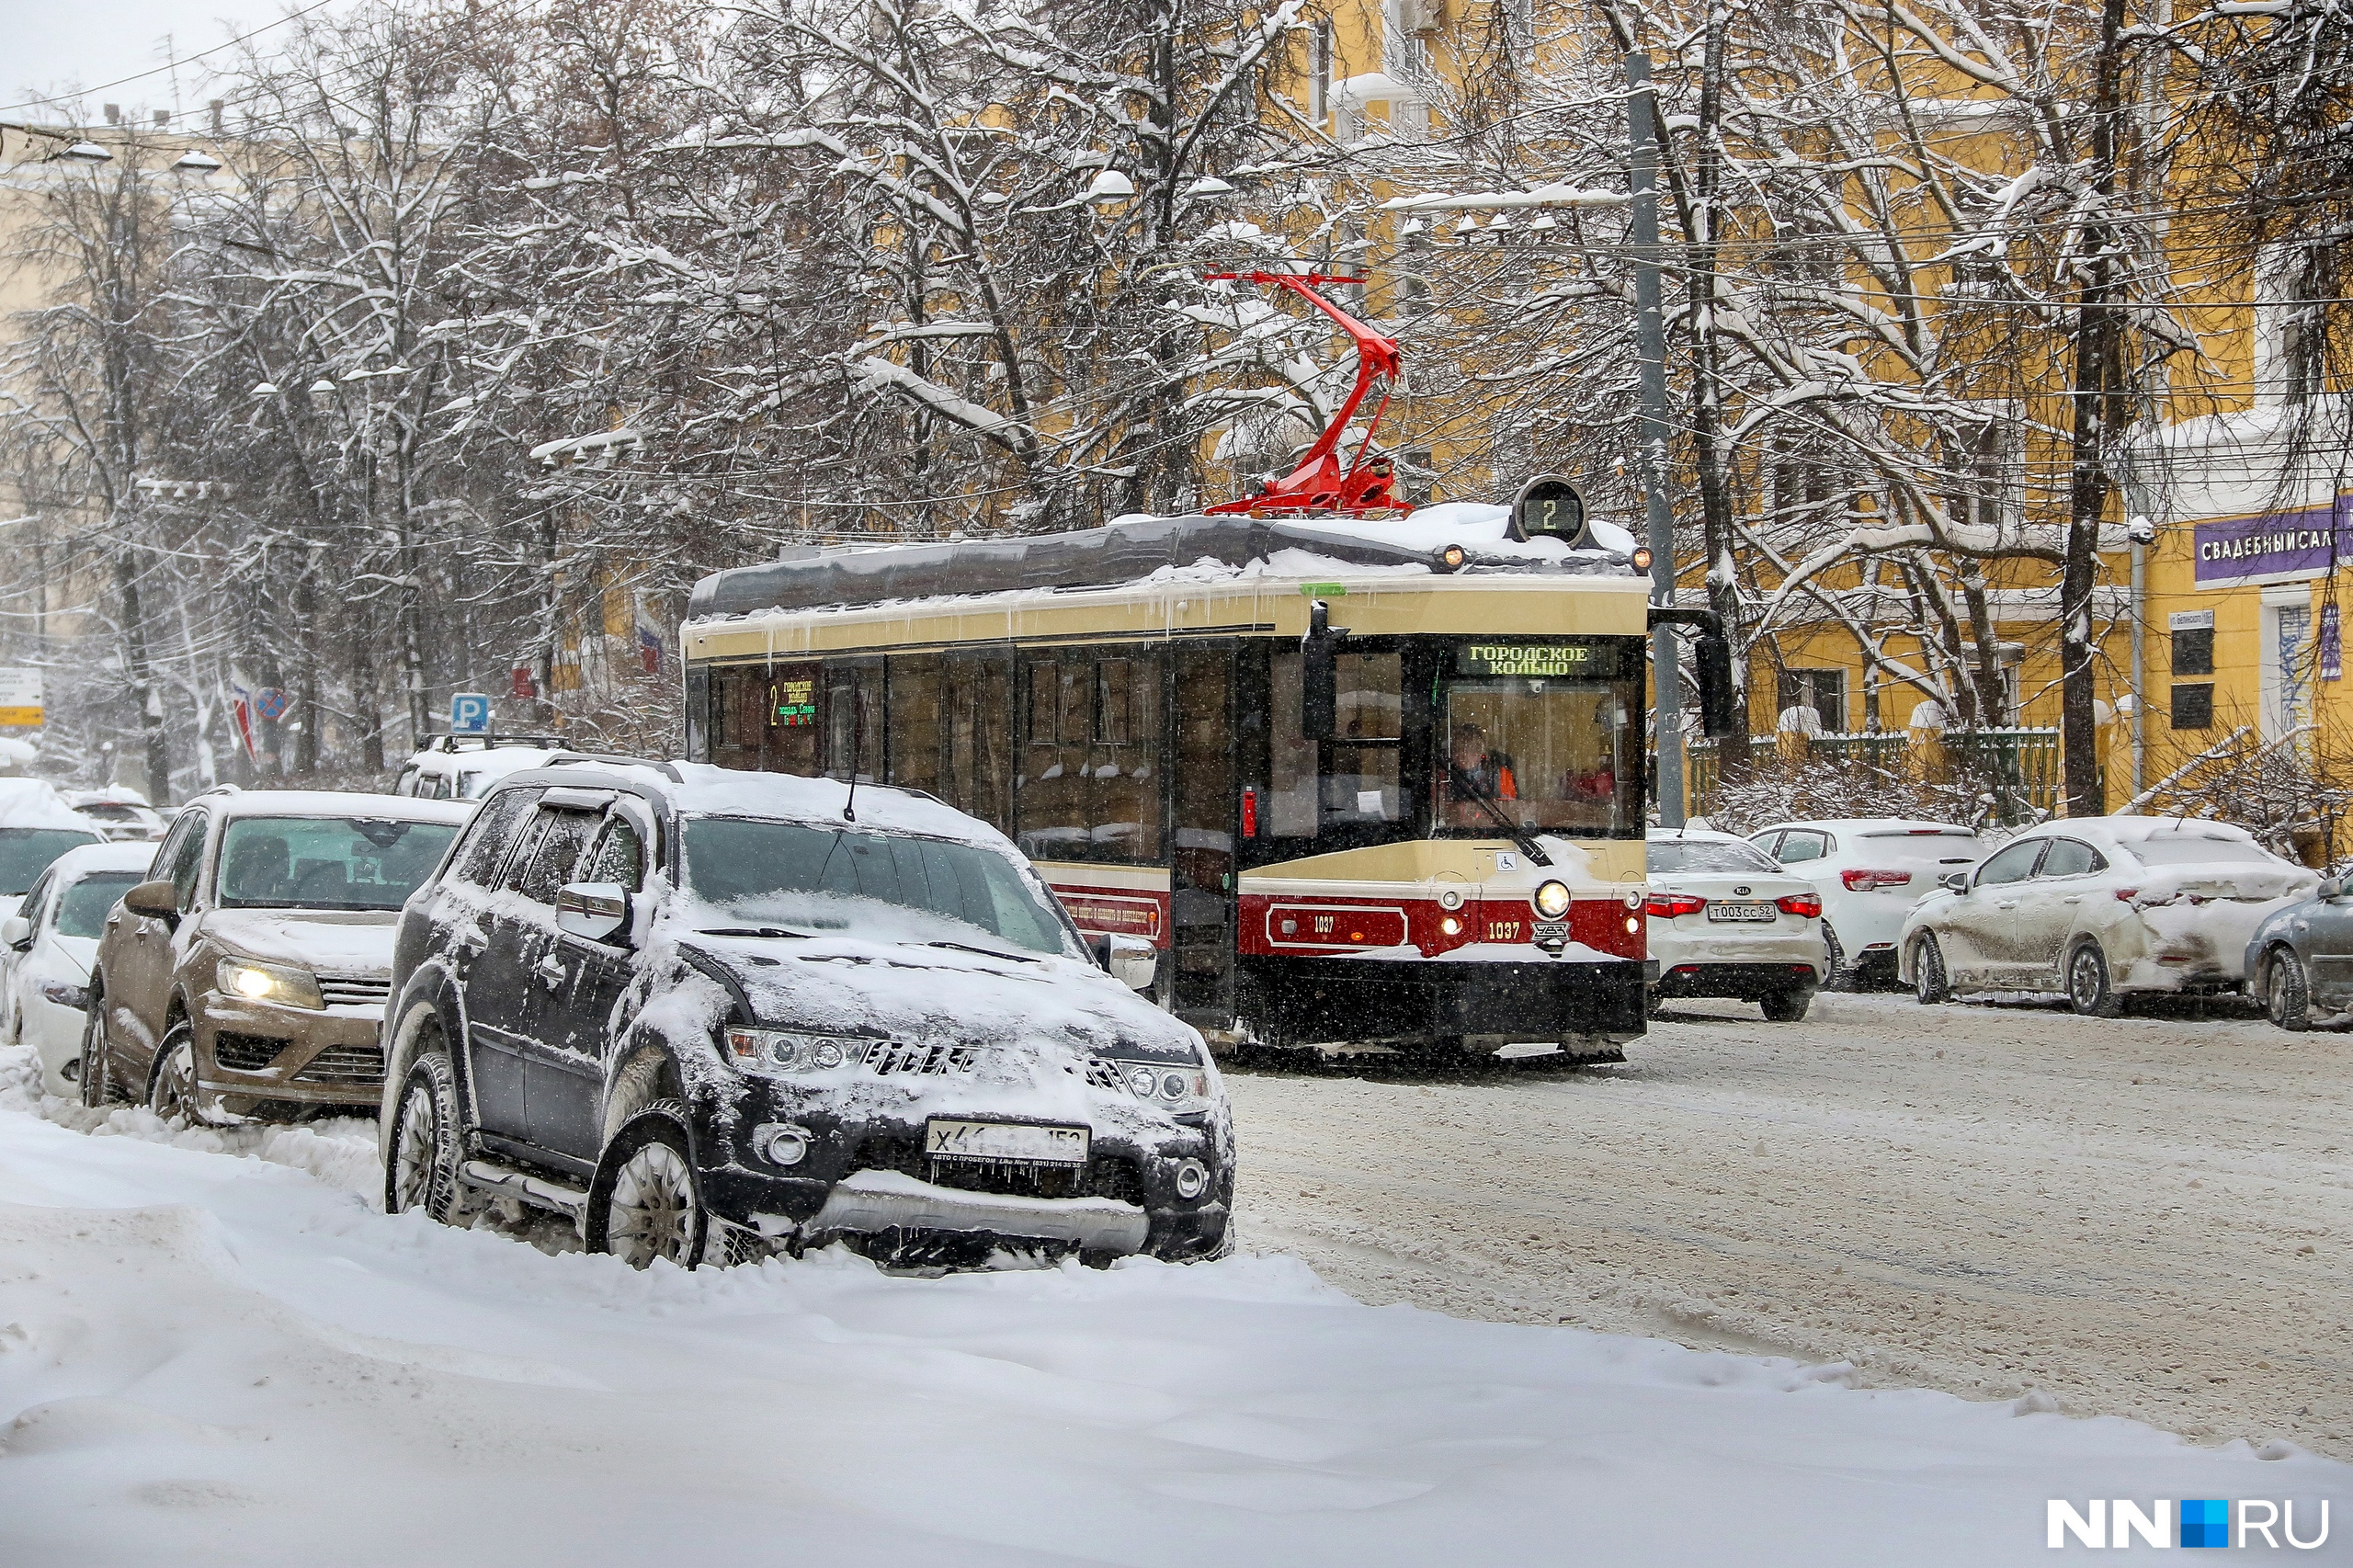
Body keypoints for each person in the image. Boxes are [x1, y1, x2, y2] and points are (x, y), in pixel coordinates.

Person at [1446, 723, 1516, 825]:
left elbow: (1511, 810)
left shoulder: (1501, 775)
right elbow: (1441, 812)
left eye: (1472, 749)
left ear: (1481, 752)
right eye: (1458, 749)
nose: (1464, 755)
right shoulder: (1444, 776)